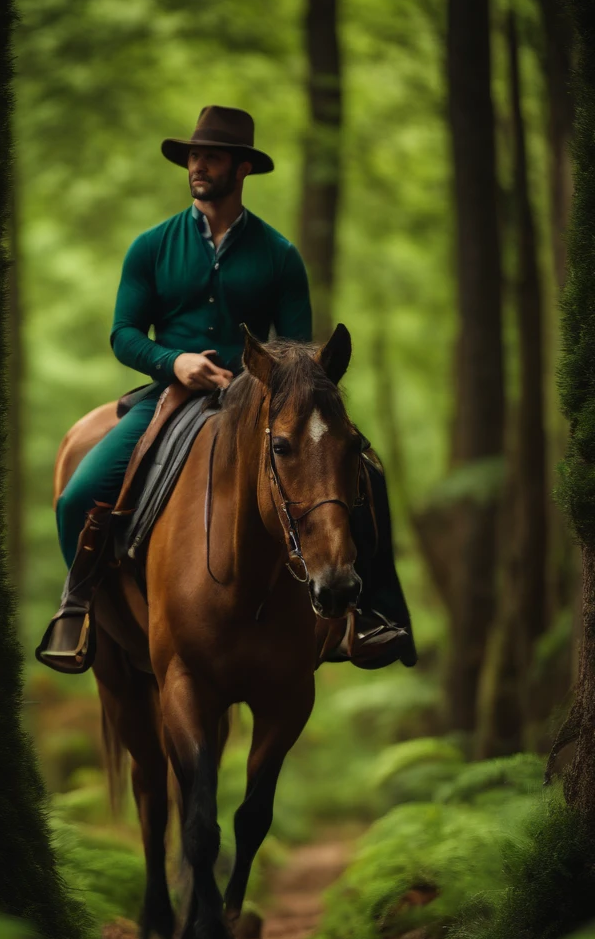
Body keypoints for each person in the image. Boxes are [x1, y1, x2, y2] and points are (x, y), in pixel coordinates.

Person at [38, 106, 415, 673]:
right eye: (193, 155)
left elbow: (297, 352)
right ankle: (80, 611)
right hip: (171, 397)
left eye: (211, 156)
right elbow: (122, 334)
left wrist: (261, 381)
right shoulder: (151, 247)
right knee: (75, 499)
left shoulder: (279, 255)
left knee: (367, 471)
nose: (198, 165)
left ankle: (371, 616)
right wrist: (176, 362)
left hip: (260, 405)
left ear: (242, 169)